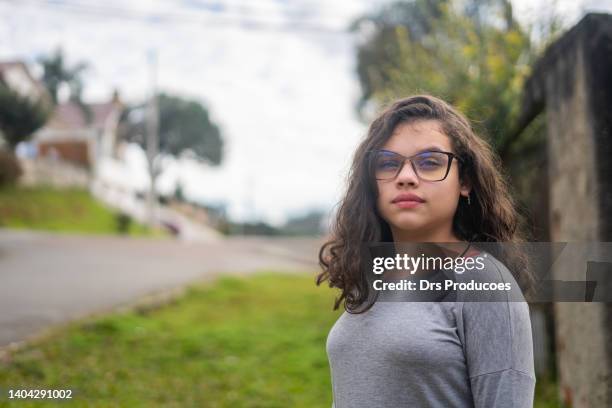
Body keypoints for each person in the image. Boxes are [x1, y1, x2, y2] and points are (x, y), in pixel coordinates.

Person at [316, 95, 536, 408]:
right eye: (388, 163)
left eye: (430, 162)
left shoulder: (485, 284)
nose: (405, 177)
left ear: (466, 181)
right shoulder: (372, 275)